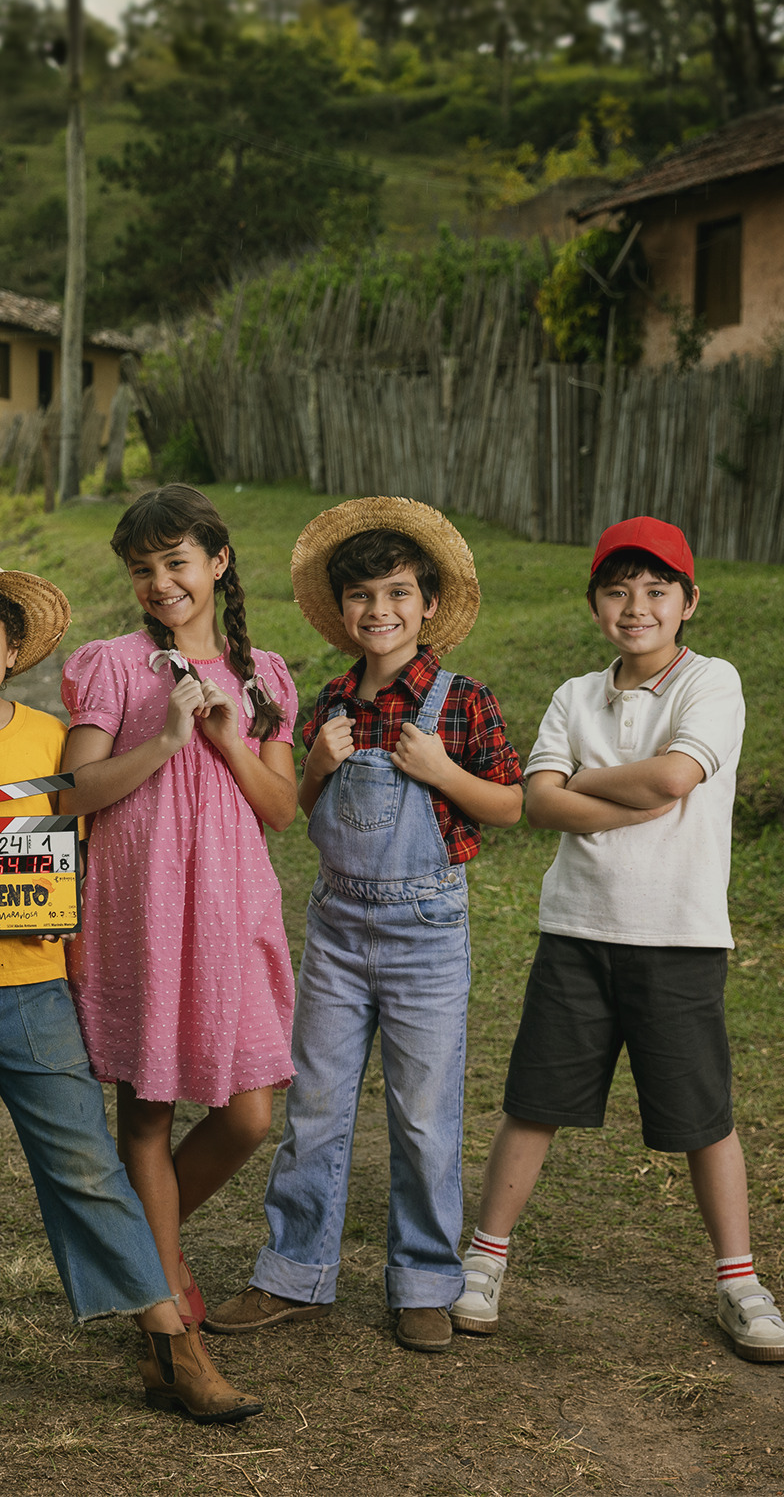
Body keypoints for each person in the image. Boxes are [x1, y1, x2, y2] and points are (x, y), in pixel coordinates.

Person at [0, 559, 263, 1426]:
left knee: (85, 1163)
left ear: (11, 653)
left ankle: (169, 1337)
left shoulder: (49, 739)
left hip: (37, 987)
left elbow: (82, 827)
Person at [450, 516, 784, 1364]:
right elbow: (539, 800)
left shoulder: (711, 682)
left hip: (678, 936)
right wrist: (621, 793)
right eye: (617, 590)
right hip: (578, 928)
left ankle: (740, 1281)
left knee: (702, 1114)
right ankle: (485, 1261)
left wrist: (585, 784)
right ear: (596, 603)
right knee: (534, 1100)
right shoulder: (577, 694)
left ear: (688, 601)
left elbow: (676, 777)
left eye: (655, 590)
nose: (635, 606)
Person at [206, 501, 524, 1353]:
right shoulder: (330, 701)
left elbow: (512, 803)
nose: (378, 610)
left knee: (423, 1113)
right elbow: (292, 811)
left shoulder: (462, 703)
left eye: (396, 594)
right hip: (340, 928)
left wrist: (443, 769)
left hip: (426, 926)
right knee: (315, 1101)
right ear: (340, 610)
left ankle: (424, 1277)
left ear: (426, 606)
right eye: (360, 596)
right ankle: (293, 1272)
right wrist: (312, 765)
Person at [59, 486, 300, 1333]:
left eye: (176, 562)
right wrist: (163, 739)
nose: (161, 582)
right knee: (149, 1110)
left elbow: (279, 806)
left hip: (233, 908)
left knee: (249, 1112)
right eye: (143, 569)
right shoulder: (114, 664)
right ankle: (163, 1286)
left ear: (218, 561)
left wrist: (228, 736)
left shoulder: (266, 674)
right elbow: (73, 792)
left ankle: (140, 1250)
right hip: (143, 905)